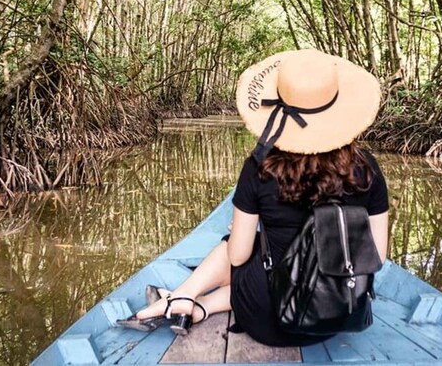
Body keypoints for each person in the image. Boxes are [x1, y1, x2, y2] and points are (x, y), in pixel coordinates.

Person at [118, 49, 389, 347]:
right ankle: (197, 306)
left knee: (233, 247)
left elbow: (238, 257)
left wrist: (244, 236)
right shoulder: (367, 168)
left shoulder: (261, 167)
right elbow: (376, 253)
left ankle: (183, 298)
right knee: (265, 255)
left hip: (268, 320)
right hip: (337, 313)